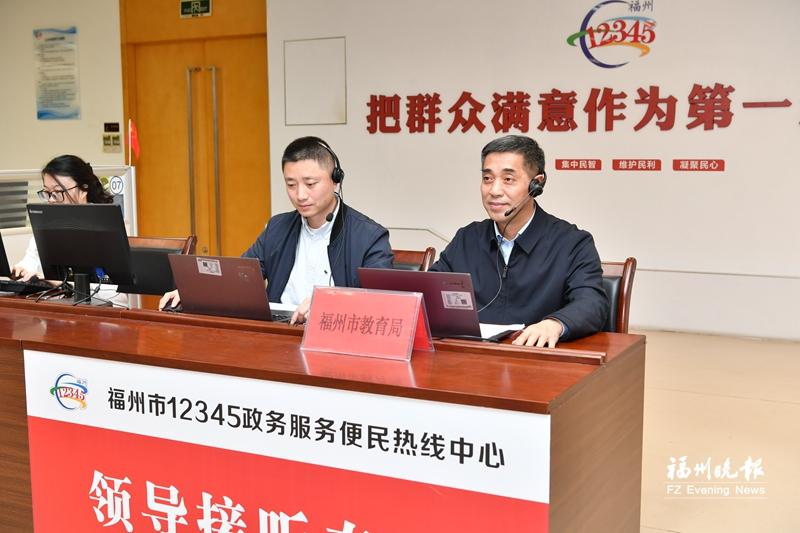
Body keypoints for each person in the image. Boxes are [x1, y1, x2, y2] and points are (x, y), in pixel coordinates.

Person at [160, 136, 394, 323]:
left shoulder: (370, 237)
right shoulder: (277, 228)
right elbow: (239, 277)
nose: (300, 195)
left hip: (334, 335)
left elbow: (383, 303)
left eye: (310, 184)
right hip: (278, 331)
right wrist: (196, 292)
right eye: (291, 185)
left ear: (336, 179)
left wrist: (329, 304)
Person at [429, 135, 608, 347]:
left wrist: (554, 324)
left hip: (536, 357)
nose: (494, 191)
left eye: (508, 179)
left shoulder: (572, 243)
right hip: (470, 357)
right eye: (487, 178)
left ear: (536, 184)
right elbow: (428, 292)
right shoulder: (467, 239)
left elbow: (592, 302)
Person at [12, 154, 115, 281]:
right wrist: (22, 269)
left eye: (58, 192)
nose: (51, 199)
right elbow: (32, 259)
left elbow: (110, 286)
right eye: (47, 192)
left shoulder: (103, 225)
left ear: (83, 189)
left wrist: (56, 283)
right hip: (56, 294)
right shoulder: (47, 224)